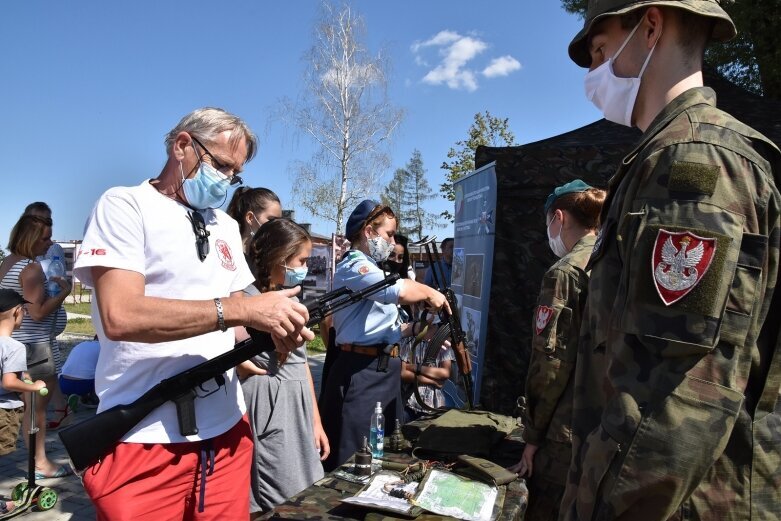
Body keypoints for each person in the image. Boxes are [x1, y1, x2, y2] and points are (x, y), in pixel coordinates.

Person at [561, 2, 781, 519]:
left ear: (651, 26)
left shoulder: (694, 162)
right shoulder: (668, 155)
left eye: (599, 51)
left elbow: (673, 403)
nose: (595, 76)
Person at [73, 107, 314, 520]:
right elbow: (120, 315)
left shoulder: (222, 225)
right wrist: (239, 309)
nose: (227, 180)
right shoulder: (124, 205)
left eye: (235, 172)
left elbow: (237, 324)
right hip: (144, 437)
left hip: (227, 434)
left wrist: (275, 331)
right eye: (221, 164)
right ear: (183, 145)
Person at [320, 200, 449, 471]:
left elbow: (375, 329)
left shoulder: (373, 269)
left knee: (384, 454)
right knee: (354, 459)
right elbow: (398, 292)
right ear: (368, 232)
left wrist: (416, 330)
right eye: (388, 234)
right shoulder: (355, 266)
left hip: (382, 371)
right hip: (360, 372)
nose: (391, 242)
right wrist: (430, 292)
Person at [506, 180, 605, 520]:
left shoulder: (566, 273)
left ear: (559, 218)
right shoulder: (618, 259)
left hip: (567, 430)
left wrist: (532, 437)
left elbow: (550, 363)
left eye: (548, 222)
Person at [239, 218, 329, 517]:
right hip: (272, 410)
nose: (305, 267)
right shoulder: (248, 300)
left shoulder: (282, 295)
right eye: (301, 260)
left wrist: (314, 421)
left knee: (305, 493)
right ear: (281, 257)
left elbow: (302, 365)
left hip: (296, 409)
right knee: (282, 500)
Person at [0, 214, 72, 479]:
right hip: (35, 347)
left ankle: (37, 461)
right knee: (37, 412)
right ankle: (41, 464)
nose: (49, 243)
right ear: (30, 238)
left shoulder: (8, 262)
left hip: (17, 343)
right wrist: (64, 293)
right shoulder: (31, 268)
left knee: (29, 408)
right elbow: (38, 313)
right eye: (45, 238)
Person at [22, 202, 71, 428]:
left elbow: (41, 304)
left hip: (38, 331)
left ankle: (53, 412)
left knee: (38, 394)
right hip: (33, 334)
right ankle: (60, 409)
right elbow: (37, 308)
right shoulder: (26, 261)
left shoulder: (45, 255)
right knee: (47, 377)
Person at [0, 289, 47, 515]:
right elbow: (9, 382)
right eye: (25, 311)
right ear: (17, 312)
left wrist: (23, 376)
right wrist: (33, 386)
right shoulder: (14, 346)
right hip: (3, 411)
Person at [226, 186, 282, 253]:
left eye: (279, 221)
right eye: (271, 220)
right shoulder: (225, 253)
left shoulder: (268, 259)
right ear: (250, 218)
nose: (277, 226)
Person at [58, 337, 100, 409]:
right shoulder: (103, 348)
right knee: (101, 372)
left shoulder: (81, 344)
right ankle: (91, 398)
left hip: (62, 384)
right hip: (84, 385)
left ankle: (73, 395)